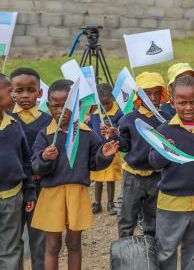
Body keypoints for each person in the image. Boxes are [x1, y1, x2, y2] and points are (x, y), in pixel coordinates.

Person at [31, 79, 117, 270]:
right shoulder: (44, 135)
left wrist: (104, 155)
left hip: (77, 194)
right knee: (52, 245)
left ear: (77, 107)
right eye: (56, 106)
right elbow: (36, 167)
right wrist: (45, 157)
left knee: (74, 244)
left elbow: (95, 163)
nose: (61, 111)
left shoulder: (86, 134)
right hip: (52, 195)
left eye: (67, 106)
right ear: (48, 106)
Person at [149, 75, 194, 270]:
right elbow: (154, 163)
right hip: (171, 203)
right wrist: (164, 151)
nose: (189, 107)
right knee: (167, 250)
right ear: (172, 102)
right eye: (182, 102)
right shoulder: (164, 130)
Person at [114, 72, 169, 238]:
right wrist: (114, 137)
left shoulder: (166, 119)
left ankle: (150, 254)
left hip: (158, 175)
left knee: (153, 217)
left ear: (162, 95)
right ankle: (125, 252)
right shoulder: (128, 119)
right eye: (147, 93)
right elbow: (124, 145)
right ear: (138, 96)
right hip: (133, 175)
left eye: (156, 93)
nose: (152, 97)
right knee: (127, 215)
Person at [10, 68, 52, 270]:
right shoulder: (5, 119)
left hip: (40, 187)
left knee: (39, 239)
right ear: (10, 92)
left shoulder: (49, 121)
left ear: (40, 93)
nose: (25, 95)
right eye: (19, 90)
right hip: (13, 189)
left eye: (30, 90)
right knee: (11, 239)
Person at [0, 73, 35, 270]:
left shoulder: (14, 125)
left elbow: (25, 160)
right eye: (9, 90)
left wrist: (29, 190)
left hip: (12, 197)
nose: (14, 95)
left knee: (10, 248)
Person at [89, 83, 123, 215]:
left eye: (107, 104)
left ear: (113, 99)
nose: (104, 108)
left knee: (110, 178)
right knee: (97, 179)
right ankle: (97, 203)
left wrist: (114, 128)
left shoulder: (118, 114)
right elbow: (91, 128)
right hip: (98, 151)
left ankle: (110, 203)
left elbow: (121, 130)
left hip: (112, 151)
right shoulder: (95, 114)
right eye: (101, 105)